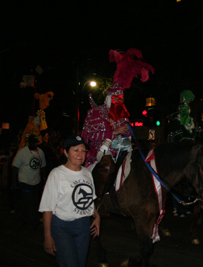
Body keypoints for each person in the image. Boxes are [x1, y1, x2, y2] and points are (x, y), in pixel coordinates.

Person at [81, 48, 153, 201]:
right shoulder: (96, 113)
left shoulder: (122, 116)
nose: (119, 102)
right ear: (109, 98)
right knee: (107, 164)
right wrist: (113, 133)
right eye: (116, 99)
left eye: (121, 99)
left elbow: (126, 136)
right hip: (99, 151)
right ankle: (97, 200)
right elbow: (88, 135)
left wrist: (128, 132)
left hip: (120, 150)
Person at [39, 135, 100, 267]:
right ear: (66, 152)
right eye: (76, 150)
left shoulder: (87, 173)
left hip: (84, 226)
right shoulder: (56, 174)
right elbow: (47, 208)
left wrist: (96, 216)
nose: (80, 154)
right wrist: (47, 236)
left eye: (83, 151)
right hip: (62, 227)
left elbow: (89, 199)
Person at [12, 135, 46, 229]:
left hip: (36, 181)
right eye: (31, 142)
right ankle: (33, 222)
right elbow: (15, 167)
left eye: (35, 142)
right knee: (29, 202)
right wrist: (14, 182)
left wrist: (44, 179)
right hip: (25, 181)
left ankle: (25, 219)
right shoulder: (22, 152)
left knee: (33, 202)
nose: (33, 144)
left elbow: (43, 167)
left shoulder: (40, 152)